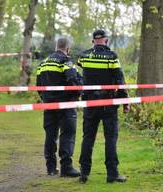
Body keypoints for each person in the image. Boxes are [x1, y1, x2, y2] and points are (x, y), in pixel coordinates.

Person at [77, 29, 130, 183]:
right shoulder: (112, 57)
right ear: (106, 40)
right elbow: (120, 80)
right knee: (111, 138)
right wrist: (125, 102)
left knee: (88, 138)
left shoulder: (84, 55)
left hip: (90, 102)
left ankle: (84, 173)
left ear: (93, 41)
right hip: (108, 102)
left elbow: (80, 68)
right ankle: (112, 174)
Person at [36, 37, 82, 177]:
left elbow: (39, 86)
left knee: (50, 135)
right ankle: (66, 168)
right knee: (67, 134)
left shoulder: (43, 63)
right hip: (66, 103)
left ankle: (50, 168)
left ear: (56, 47)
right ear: (68, 49)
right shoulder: (66, 61)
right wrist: (78, 93)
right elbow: (73, 80)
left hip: (49, 103)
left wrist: (45, 98)